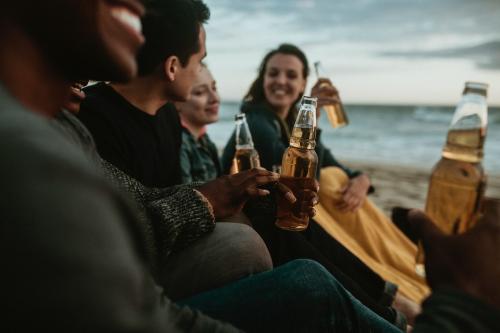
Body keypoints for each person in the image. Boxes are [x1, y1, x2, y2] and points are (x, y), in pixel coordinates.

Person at [0, 0, 408, 332]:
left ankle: (384, 305)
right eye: (202, 64)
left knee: (269, 204)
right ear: (174, 66)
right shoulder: (56, 136)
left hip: (148, 271)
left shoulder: (114, 123)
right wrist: (209, 198)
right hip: (146, 276)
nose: (204, 81)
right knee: (296, 269)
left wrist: (226, 190)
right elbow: (122, 237)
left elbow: (140, 200)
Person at [221, 43, 426, 317]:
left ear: (304, 81)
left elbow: (330, 162)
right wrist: (313, 116)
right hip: (256, 218)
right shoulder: (256, 123)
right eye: (273, 73)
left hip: (282, 215)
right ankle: (391, 307)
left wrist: (361, 179)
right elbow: (303, 182)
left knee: (336, 177)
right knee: (326, 189)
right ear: (263, 78)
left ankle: (391, 302)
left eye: (291, 75)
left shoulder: (289, 121)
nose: (281, 81)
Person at [175, 63, 222, 183]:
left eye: (214, 88)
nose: (215, 98)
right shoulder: (179, 143)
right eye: (200, 92)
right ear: (176, 101)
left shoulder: (204, 139)